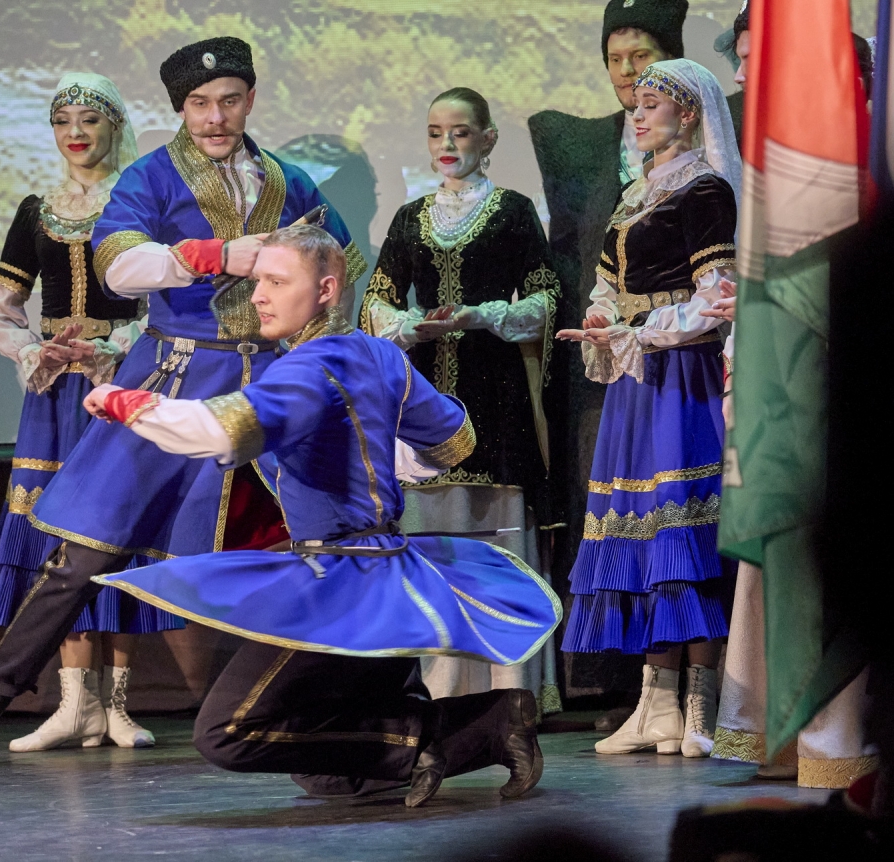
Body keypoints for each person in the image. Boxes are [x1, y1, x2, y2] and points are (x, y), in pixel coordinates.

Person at [0, 37, 363, 752]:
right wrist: (213, 255)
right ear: (181, 109)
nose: (215, 117)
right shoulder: (151, 176)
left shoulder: (291, 181)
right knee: (89, 539)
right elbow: (118, 267)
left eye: (228, 101)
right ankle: (1, 680)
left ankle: (358, 703)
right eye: (200, 104)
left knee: (324, 543)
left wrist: (328, 346)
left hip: (271, 381)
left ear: (250, 100)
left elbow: (341, 265)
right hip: (175, 373)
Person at [85, 224, 562, 807]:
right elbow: (453, 439)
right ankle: (479, 724)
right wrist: (379, 454)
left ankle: (435, 735)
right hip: (389, 576)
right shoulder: (378, 353)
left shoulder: (310, 367)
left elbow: (220, 431)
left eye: (277, 282)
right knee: (324, 772)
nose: (259, 296)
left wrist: (126, 400)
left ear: (327, 290)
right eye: (258, 281)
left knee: (227, 732)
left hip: (343, 585)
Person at [0, 72, 178, 751]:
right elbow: (1, 306)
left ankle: (115, 706)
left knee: (116, 531)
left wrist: (115, 348)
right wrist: (36, 350)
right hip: (57, 393)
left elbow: (164, 303)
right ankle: (73, 705)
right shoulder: (38, 210)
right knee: (55, 537)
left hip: (120, 385)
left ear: (113, 126)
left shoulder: (139, 202)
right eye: (63, 120)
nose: (75, 132)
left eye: (89, 120)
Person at [705, 6, 878, 789]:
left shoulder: (844, 171)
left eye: (758, 58)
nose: (745, 75)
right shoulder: (774, 165)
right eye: (743, 59)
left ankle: (835, 736)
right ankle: (779, 730)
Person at [556, 58, 741, 758]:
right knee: (641, 536)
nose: (637, 115)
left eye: (652, 104)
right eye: (634, 104)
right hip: (637, 377)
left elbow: (714, 297)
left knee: (683, 530)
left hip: (681, 374)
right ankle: (655, 702)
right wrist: (604, 320)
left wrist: (642, 331)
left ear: (688, 115)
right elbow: (608, 285)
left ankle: (702, 705)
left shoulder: (704, 189)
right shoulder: (636, 193)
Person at [359, 87, 561, 707]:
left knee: (496, 543)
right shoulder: (410, 218)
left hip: (494, 392)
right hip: (425, 397)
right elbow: (375, 302)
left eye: (461, 132)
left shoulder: (512, 212)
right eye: (435, 132)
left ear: (489, 138)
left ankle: (509, 691)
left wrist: (485, 315)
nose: (447, 144)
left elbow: (545, 297)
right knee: (432, 546)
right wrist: (408, 325)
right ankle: (441, 691)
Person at [527, 0, 694, 719]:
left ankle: (689, 681)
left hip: (680, 354)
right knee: (608, 504)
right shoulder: (585, 147)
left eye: (641, 56)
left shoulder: (704, 153)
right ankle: (615, 680)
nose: (627, 72)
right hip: (601, 361)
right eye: (615, 59)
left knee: (673, 507)